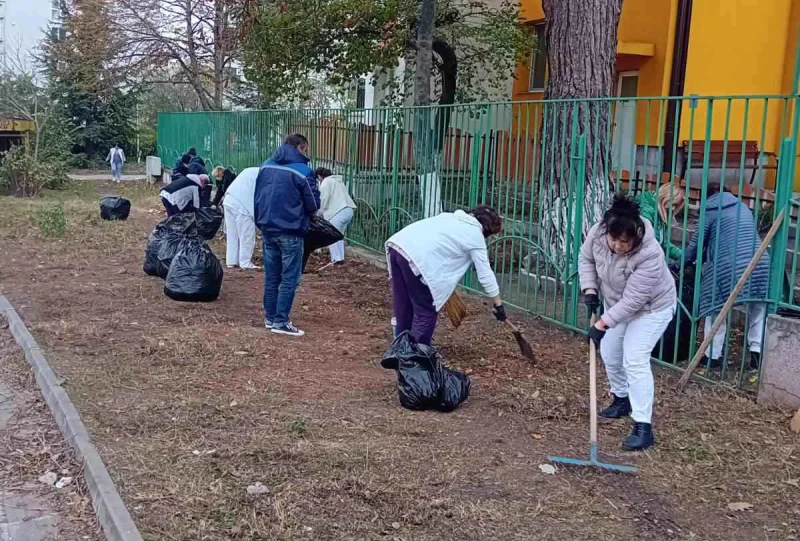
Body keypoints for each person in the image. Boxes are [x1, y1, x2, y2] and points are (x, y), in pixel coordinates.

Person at [579, 194, 676, 451]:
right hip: (617, 304)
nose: (618, 246)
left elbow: (634, 301)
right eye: (614, 239)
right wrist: (590, 289)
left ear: (636, 236)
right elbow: (586, 258)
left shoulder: (650, 253)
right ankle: (621, 399)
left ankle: (643, 427)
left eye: (625, 241)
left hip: (651, 309)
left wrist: (601, 324)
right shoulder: (598, 234)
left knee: (634, 357)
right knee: (610, 352)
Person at [672, 182, 769, 370]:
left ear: (707, 197)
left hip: (728, 265)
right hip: (760, 261)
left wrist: (677, 265)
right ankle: (756, 354)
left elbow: (696, 248)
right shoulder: (743, 207)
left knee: (715, 308)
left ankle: (712, 356)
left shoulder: (709, 210)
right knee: (758, 307)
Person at [384, 205, 507, 346]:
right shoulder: (475, 235)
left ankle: (400, 353)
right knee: (425, 312)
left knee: (403, 307)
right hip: (416, 260)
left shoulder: (449, 217)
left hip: (397, 247)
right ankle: (416, 361)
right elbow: (485, 274)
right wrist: (498, 304)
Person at [254, 134, 320, 337]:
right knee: (290, 278)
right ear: (301, 147)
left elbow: (258, 195)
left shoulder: (266, 166)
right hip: (291, 230)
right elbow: (314, 204)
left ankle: (270, 317)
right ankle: (281, 321)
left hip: (268, 228)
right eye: (306, 150)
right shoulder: (303, 172)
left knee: (272, 276)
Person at [222, 167, 260, 270]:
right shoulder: (265, 175)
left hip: (229, 199)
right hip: (243, 205)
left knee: (232, 234)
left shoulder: (250, 170)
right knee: (246, 234)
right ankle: (245, 262)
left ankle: (231, 261)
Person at [316, 167, 357, 263]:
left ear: (319, 176)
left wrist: (318, 213)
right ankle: (340, 258)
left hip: (337, 212)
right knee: (339, 236)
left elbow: (323, 199)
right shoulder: (338, 181)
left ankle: (336, 259)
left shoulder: (326, 182)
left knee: (331, 236)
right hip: (348, 210)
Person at [636, 183, 686, 261]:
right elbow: (649, 242)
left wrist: (685, 256)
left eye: (676, 206)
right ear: (666, 196)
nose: (673, 208)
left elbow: (663, 243)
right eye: (673, 204)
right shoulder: (647, 211)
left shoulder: (659, 212)